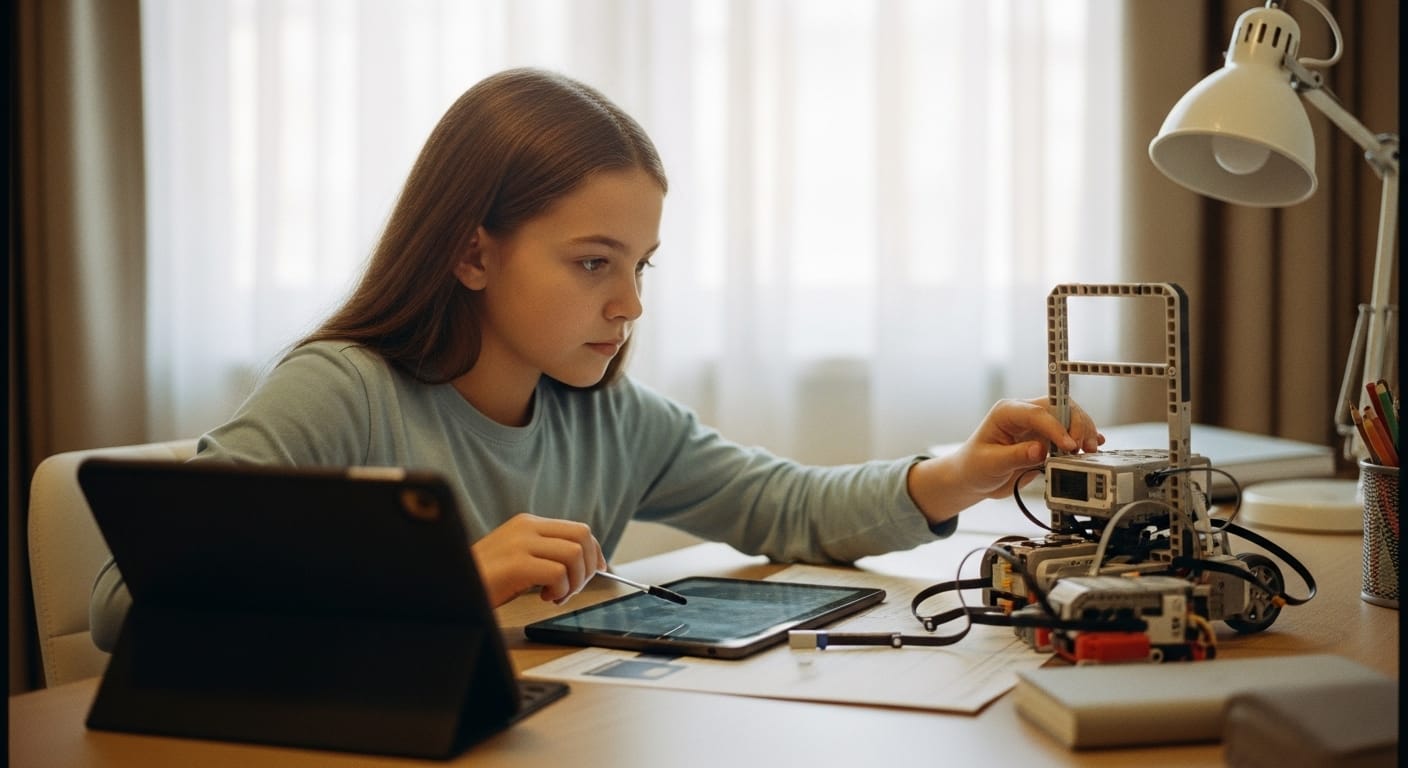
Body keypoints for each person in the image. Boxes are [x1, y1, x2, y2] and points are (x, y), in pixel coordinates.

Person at [89, 67, 1101, 652]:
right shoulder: (343, 392)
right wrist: (441, 579)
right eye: (591, 263)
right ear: (472, 253)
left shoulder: (606, 416)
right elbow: (127, 602)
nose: (629, 304)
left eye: (640, 265)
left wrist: (959, 474)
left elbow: (786, 505)